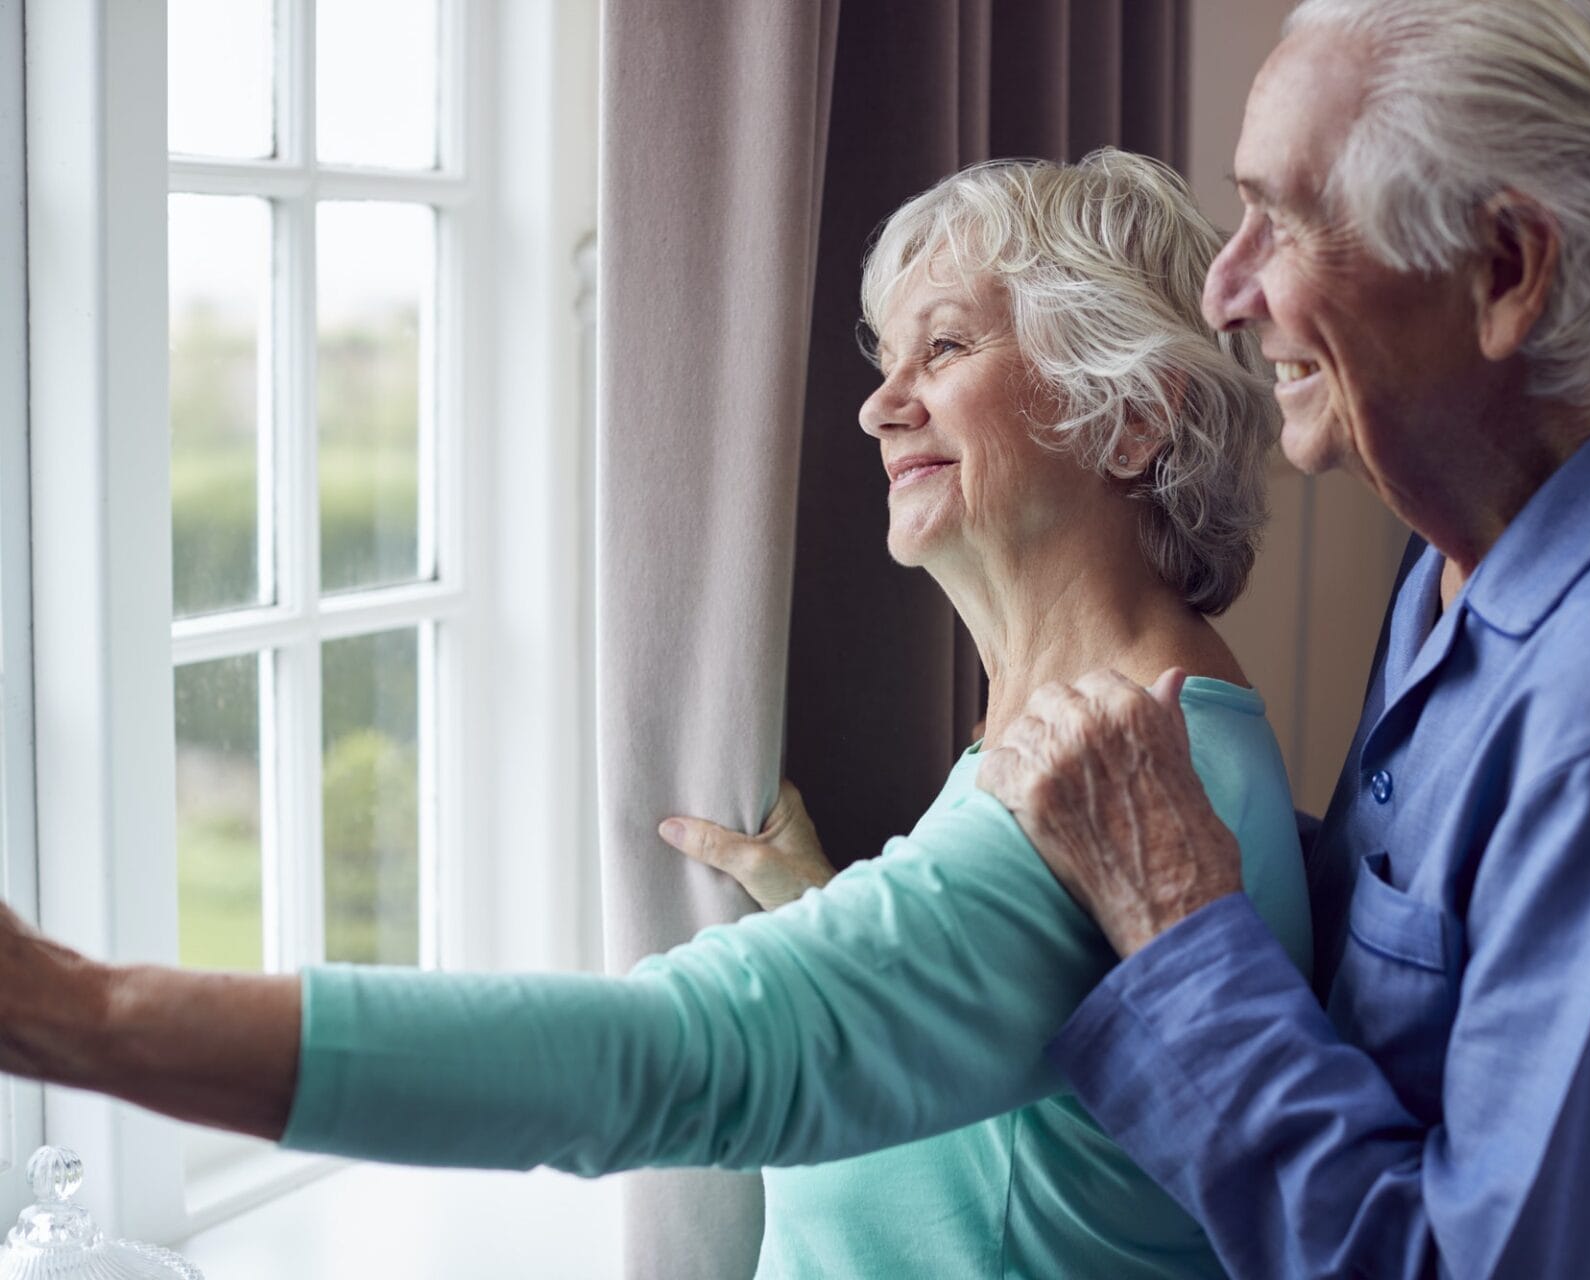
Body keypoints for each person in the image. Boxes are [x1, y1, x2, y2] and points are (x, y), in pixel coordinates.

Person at [0, 150, 1311, 1278]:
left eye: (949, 345)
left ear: (1134, 421)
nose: (878, 403)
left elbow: (666, 1061)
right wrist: (834, 910)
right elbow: (1028, 1112)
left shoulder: (1124, 791)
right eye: (886, 355)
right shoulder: (1142, 729)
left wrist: (83, 1014)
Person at [977, 2, 1590, 1277]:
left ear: (1507, 270)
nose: (1223, 288)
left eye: (1285, 219)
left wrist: (1176, 919)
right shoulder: (1466, 550)